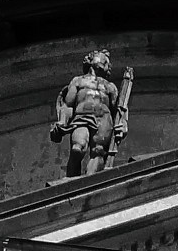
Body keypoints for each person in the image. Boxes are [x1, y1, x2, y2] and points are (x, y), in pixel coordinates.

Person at [51, 49, 127, 179]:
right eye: (102, 58)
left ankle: (90, 181)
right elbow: (68, 105)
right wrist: (62, 121)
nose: (106, 63)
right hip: (82, 116)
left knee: (98, 151)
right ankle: (71, 182)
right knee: (78, 147)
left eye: (108, 62)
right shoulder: (78, 81)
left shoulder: (110, 87)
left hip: (104, 119)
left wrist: (123, 124)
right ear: (90, 60)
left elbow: (119, 109)